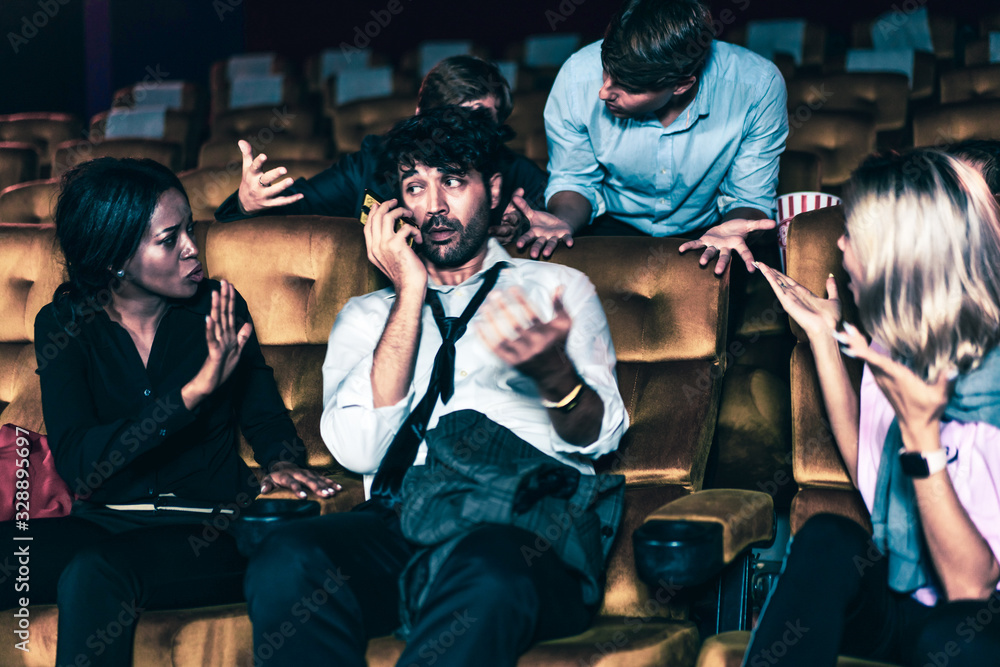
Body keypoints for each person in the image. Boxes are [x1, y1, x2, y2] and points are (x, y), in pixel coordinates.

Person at [243, 106, 629, 666]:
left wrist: (557, 380)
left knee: (490, 571)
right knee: (287, 557)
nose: (436, 205)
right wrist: (410, 293)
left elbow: (597, 439)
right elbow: (357, 450)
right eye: (416, 186)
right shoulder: (367, 315)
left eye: (452, 180)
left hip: (516, 529)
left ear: (493, 190)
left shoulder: (555, 288)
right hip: (400, 525)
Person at [0, 158, 338, 667]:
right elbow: (80, 462)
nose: (191, 249)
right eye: (169, 238)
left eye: (190, 230)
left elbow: (265, 415)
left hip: (207, 529)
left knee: (96, 572)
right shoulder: (64, 324)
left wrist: (283, 461)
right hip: (104, 521)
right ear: (114, 256)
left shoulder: (218, 308)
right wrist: (188, 397)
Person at [744, 149, 1000, 666]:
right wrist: (822, 335)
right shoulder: (889, 342)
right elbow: (869, 466)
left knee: (947, 639)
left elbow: (971, 585)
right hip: (904, 597)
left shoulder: (989, 374)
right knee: (827, 539)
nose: (839, 245)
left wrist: (923, 437)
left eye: (853, 232)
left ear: (899, 253)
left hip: (975, 617)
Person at [515, 0, 787, 270]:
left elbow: (749, 199)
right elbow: (574, 178)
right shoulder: (576, 77)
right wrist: (563, 220)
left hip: (710, 231)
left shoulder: (757, 87)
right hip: (607, 225)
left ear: (681, 85)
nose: (604, 92)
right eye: (606, 71)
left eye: (628, 86)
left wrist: (732, 229)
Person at [214, 55, 548, 244]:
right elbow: (292, 208)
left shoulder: (519, 174)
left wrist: (528, 228)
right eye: (450, 119)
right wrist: (248, 203)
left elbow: (566, 222)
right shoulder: (371, 164)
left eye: (480, 120)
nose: (463, 133)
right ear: (421, 118)